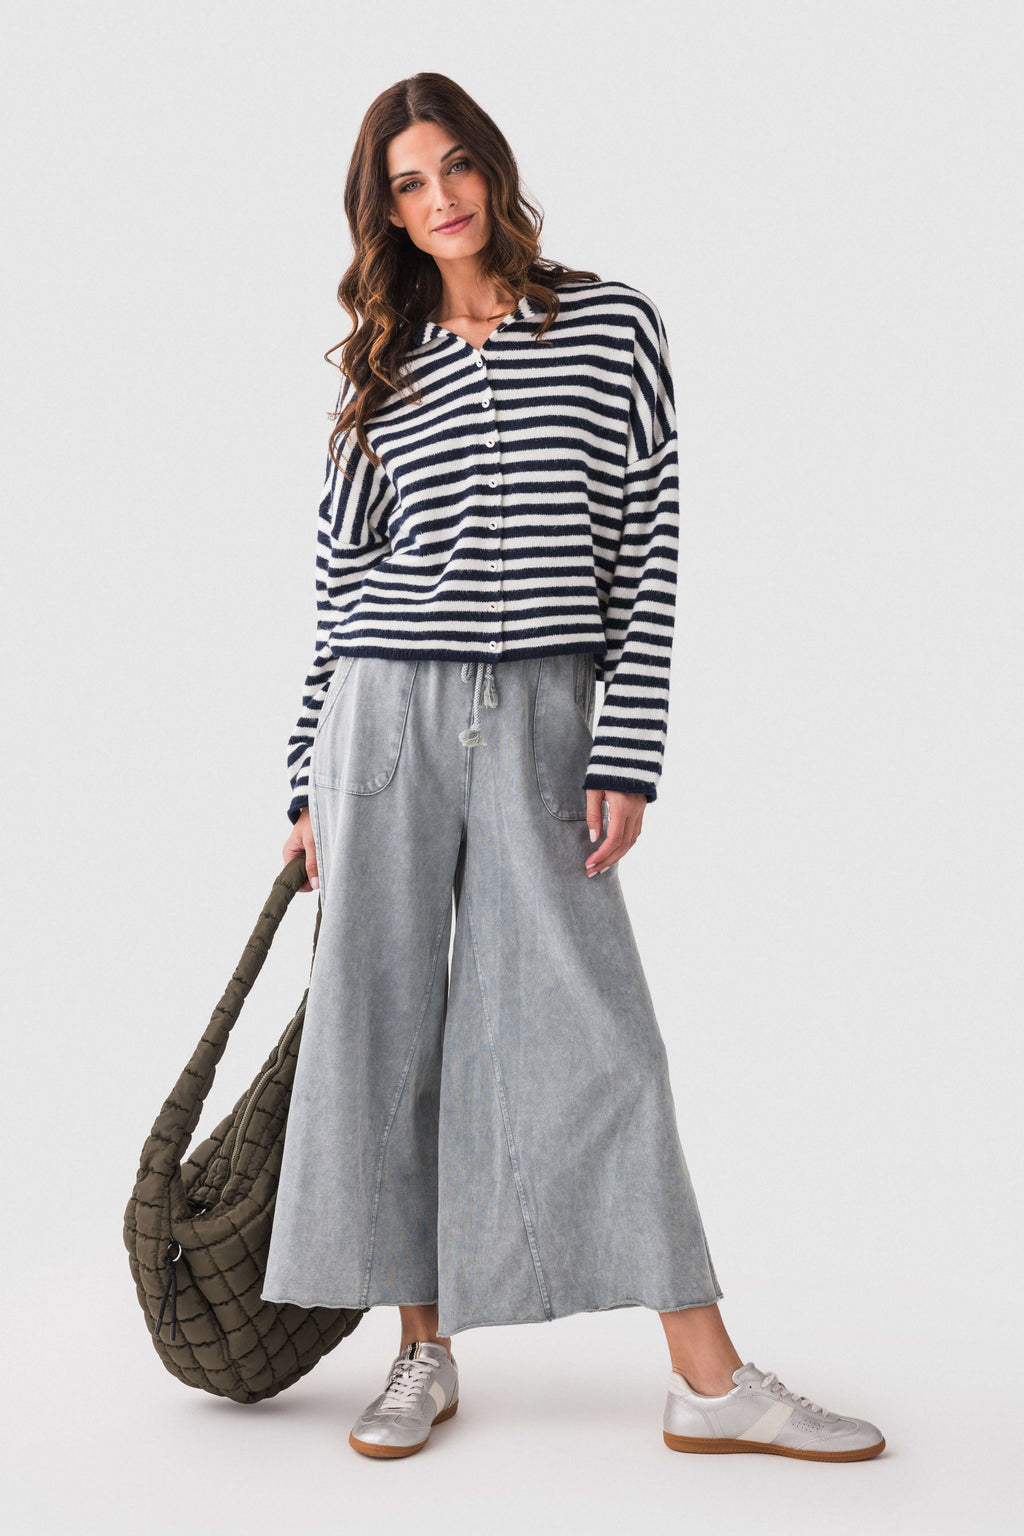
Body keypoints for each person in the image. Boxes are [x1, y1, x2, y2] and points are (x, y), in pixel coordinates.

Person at [259, 72, 886, 1464]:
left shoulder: (611, 327)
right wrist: (305, 778)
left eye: (455, 166)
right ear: (385, 213)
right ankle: (421, 1350)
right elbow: (342, 586)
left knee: (604, 1037)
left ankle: (708, 1380)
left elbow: (650, 541)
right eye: (409, 185)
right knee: (384, 1030)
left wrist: (629, 743)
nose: (441, 199)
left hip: (547, 715)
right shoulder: (380, 363)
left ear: (494, 166)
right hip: (384, 718)